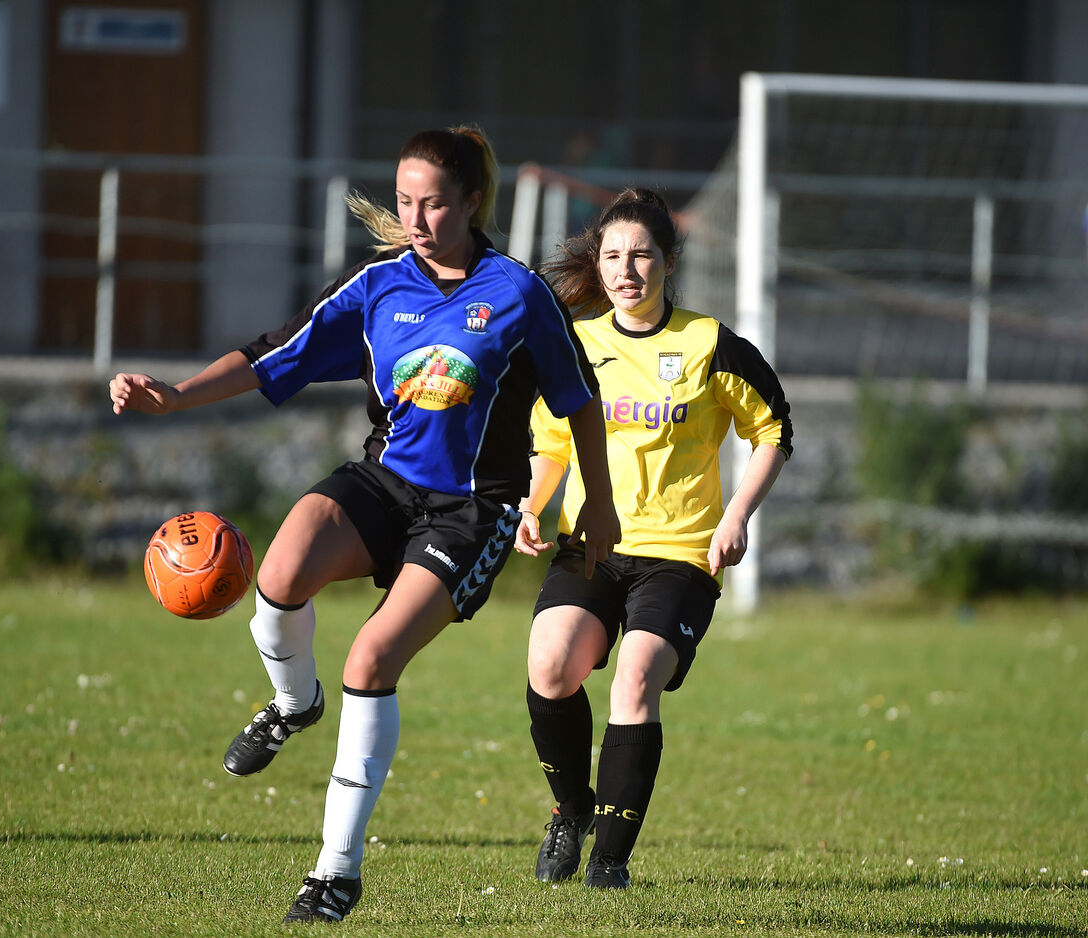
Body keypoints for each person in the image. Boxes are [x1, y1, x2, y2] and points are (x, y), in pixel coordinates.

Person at [108, 126, 621, 924]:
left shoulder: (517, 294)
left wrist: (598, 504)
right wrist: (174, 396)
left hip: (473, 510)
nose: (416, 218)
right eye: (406, 201)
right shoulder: (379, 284)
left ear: (474, 202)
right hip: (383, 482)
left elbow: (580, 401)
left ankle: (335, 874)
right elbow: (276, 351)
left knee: (372, 656)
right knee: (277, 575)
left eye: (435, 203)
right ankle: (292, 702)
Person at [514, 188, 792, 889]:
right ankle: (571, 811)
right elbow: (551, 440)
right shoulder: (575, 346)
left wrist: (737, 517)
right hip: (591, 543)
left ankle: (609, 863)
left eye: (641, 255)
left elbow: (774, 430)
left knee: (636, 680)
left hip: (679, 555)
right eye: (612, 256)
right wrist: (532, 504)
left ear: (668, 262)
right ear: (598, 265)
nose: (626, 269)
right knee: (550, 666)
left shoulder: (709, 344)